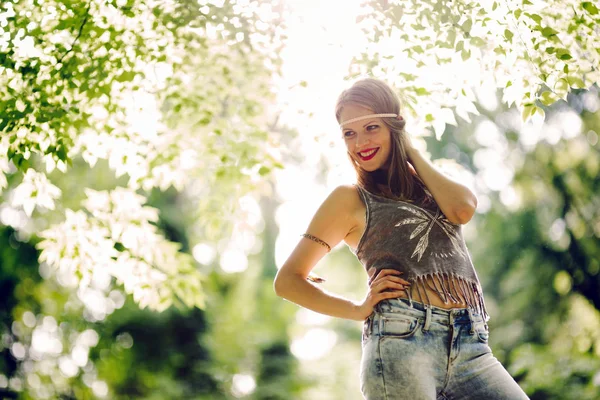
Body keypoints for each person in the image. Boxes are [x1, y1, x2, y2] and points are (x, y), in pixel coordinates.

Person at [273, 78, 529, 399]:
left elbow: (463, 209)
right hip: (401, 341)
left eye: (371, 128)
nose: (360, 143)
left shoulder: (432, 187)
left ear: (395, 127)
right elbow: (287, 281)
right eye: (349, 134)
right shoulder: (349, 199)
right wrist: (357, 309)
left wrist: (412, 154)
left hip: (471, 343)